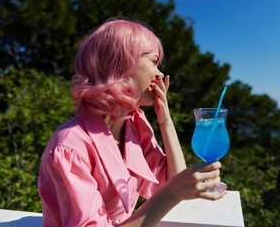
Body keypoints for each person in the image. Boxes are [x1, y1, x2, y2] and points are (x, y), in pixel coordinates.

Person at [38, 18, 226, 227]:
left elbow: (172, 179)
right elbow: (173, 189)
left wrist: (165, 119)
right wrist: (172, 193)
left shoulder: (134, 123)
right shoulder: (70, 147)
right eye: (154, 62)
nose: (160, 73)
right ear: (122, 64)